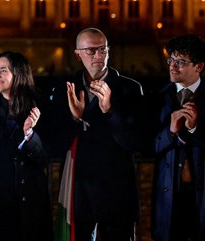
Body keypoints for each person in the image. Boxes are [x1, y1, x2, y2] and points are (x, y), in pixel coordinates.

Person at [49, 27, 143, 241]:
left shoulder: (130, 89)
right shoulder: (62, 89)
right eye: (91, 51)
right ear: (77, 54)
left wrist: (110, 111)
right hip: (78, 187)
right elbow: (54, 143)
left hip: (118, 188)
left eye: (103, 50)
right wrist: (75, 119)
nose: (99, 56)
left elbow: (135, 141)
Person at [0, 51, 51, 241]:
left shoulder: (39, 106)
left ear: (19, 74)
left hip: (29, 205)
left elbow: (45, 158)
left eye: (2, 70)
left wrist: (30, 135)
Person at [151, 35, 205, 241]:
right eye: (171, 60)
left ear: (199, 66)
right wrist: (170, 132)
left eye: (181, 62)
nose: (172, 66)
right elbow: (147, 146)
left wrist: (196, 129)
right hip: (169, 197)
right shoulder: (158, 98)